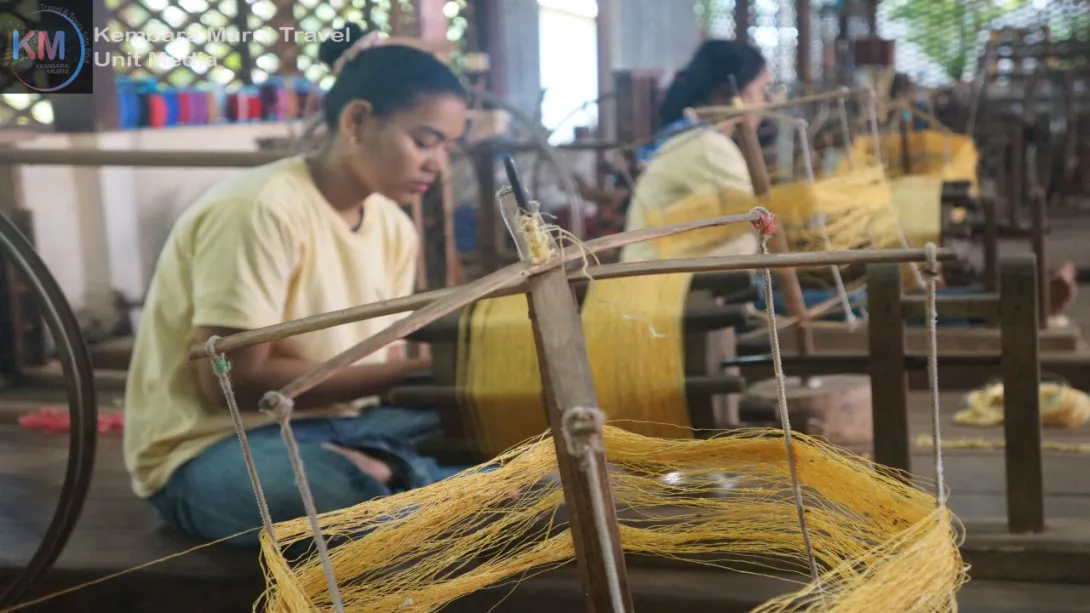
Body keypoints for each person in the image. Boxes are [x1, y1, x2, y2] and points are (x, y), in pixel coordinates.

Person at [123, 25, 469, 546]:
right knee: (318, 493)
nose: (438, 164)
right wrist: (416, 369)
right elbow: (230, 385)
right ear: (357, 120)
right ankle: (431, 486)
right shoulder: (260, 209)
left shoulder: (393, 226)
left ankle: (398, 477)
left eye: (448, 148)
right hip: (218, 448)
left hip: (344, 428)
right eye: (424, 141)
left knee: (499, 422)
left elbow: (375, 378)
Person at [621, 39, 771, 263]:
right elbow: (759, 219)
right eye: (761, 90)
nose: (765, 103)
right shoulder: (707, 147)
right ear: (727, 95)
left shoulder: (690, 137)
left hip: (679, 282)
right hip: (674, 289)